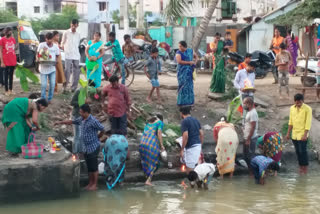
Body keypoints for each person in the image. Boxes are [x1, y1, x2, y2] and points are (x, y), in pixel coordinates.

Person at [55, 104, 104, 191]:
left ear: (86, 112)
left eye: (81, 112)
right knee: (89, 166)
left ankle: (94, 185)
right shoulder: (82, 119)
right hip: (86, 147)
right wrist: (60, 122)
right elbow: (72, 121)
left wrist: (98, 137)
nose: (80, 113)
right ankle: (90, 183)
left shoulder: (93, 121)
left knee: (94, 167)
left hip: (93, 146)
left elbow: (102, 128)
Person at [286, 93, 312, 175]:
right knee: (297, 151)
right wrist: (288, 133)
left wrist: (305, 135)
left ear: (303, 101)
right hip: (294, 134)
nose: (298, 104)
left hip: (302, 134)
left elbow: (308, 123)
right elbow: (290, 122)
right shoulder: (292, 108)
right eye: (296, 102)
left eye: (300, 102)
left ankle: (305, 169)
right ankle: (301, 167)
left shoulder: (308, 109)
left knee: (303, 151)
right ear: (294, 102)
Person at [70, 80, 96, 154]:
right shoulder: (79, 91)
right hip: (76, 115)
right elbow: (72, 102)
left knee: (82, 135)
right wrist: (83, 102)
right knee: (77, 135)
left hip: (83, 116)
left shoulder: (87, 93)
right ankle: (75, 152)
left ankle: (81, 152)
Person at [139, 115, 165, 186]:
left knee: (145, 160)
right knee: (155, 162)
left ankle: (146, 177)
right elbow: (159, 133)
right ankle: (148, 180)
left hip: (142, 143)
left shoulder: (148, 123)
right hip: (151, 144)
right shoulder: (160, 123)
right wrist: (161, 145)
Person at [37, 32, 60, 103]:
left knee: (52, 84)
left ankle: (49, 98)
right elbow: (37, 54)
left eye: (50, 39)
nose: (49, 41)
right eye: (48, 39)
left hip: (52, 68)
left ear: (52, 39)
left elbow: (57, 56)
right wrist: (38, 59)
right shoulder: (41, 45)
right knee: (43, 85)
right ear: (45, 39)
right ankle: (43, 98)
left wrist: (57, 62)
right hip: (43, 68)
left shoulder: (55, 46)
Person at [180, 106, 204, 173]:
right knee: (196, 170)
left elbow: (185, 136)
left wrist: (182, 149)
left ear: (181, 113)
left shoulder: (184, 121)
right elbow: (201, 134)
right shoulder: (196, 120)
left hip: (191, 148)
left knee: (190, 171)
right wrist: (200, 145)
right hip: (197, 146)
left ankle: (191, 183)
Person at [61, 19, 81, 92]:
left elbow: (78, 44)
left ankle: (74, 87)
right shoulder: (66, 32)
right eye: (72, 26)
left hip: (76, 54)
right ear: (71, 24)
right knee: (67, 70)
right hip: (68, 54)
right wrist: (63, 46)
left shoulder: (78, 34)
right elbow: (62, 42)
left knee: (76, 71)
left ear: (77, 26)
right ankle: (65, 87)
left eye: (75, 26)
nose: (73, 27)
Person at [176, 41, 197, 107]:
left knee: (189, 86)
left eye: (180, 46)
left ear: (183, 46)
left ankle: (190, 102)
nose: (179, 47)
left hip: (189, 72)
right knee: (182, 85)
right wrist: (189, 62)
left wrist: (194, 63)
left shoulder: (190, 51)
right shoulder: (178, 53)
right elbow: (179, 61)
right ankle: (182, 102)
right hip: (182, 72)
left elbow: (196, 57)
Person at [0, 27, 17, 96]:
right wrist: (2, 62)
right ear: (5, 32)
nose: (9, 33)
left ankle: (11, 89)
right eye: (7, 32)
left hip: (12, 59)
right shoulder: (2, 40)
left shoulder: (13, 39)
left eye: (10, 31)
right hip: (5, 60)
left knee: (11, 76)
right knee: (6, 75)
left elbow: (13, 49)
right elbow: (0, 51)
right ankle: (6, 90)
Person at [243, 97, 259, 168]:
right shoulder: (249, 112)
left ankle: (252, 173)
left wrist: (248, 139)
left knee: (250, 156)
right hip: (248, 137)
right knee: (247, 156)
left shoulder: (253, 113)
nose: (244, 105)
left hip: (251, 138)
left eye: (244, 104)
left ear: (249, 104)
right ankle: (250, 173)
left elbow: (253, 127)